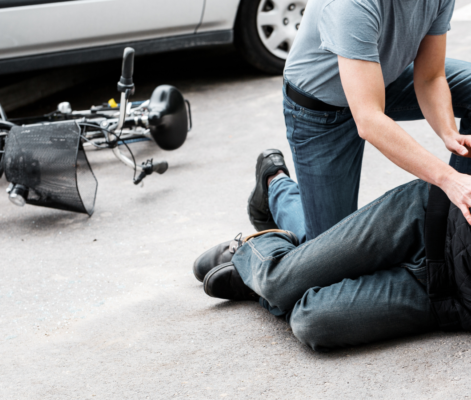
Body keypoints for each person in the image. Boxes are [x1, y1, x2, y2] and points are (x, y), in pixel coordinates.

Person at [248, 0, 471, 243]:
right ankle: (275, 186)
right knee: (330, 255)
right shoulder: (350, 4)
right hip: (321, 110)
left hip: (382, 78)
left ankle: (456, 221)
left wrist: (449, 132)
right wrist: (448, 178)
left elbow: (430, 77)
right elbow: (369, 120)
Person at [194, 162, 471, 351]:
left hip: (450, 295)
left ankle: (264, 276)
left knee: (310, 322)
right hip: (430, 219)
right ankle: (258, 244)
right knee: (277, 280)